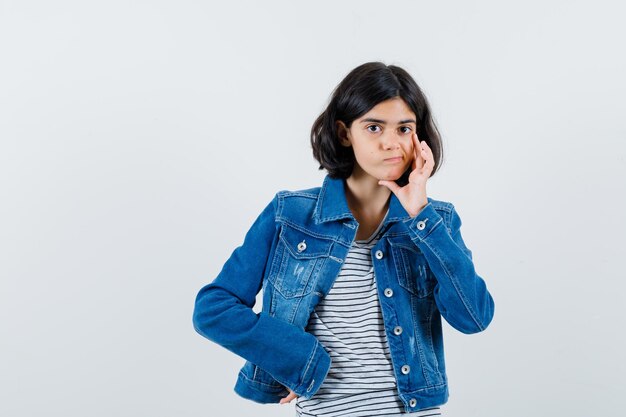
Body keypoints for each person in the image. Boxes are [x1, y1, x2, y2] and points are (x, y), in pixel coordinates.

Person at [192, 61, 495, 416]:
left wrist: (421, 215)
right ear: (344, 133)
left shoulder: (435, 221)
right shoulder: (290, 216)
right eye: (373, 127)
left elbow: (474, 318)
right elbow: (213, 309)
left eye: (404, 128)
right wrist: (293, 357)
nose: (391, 143)